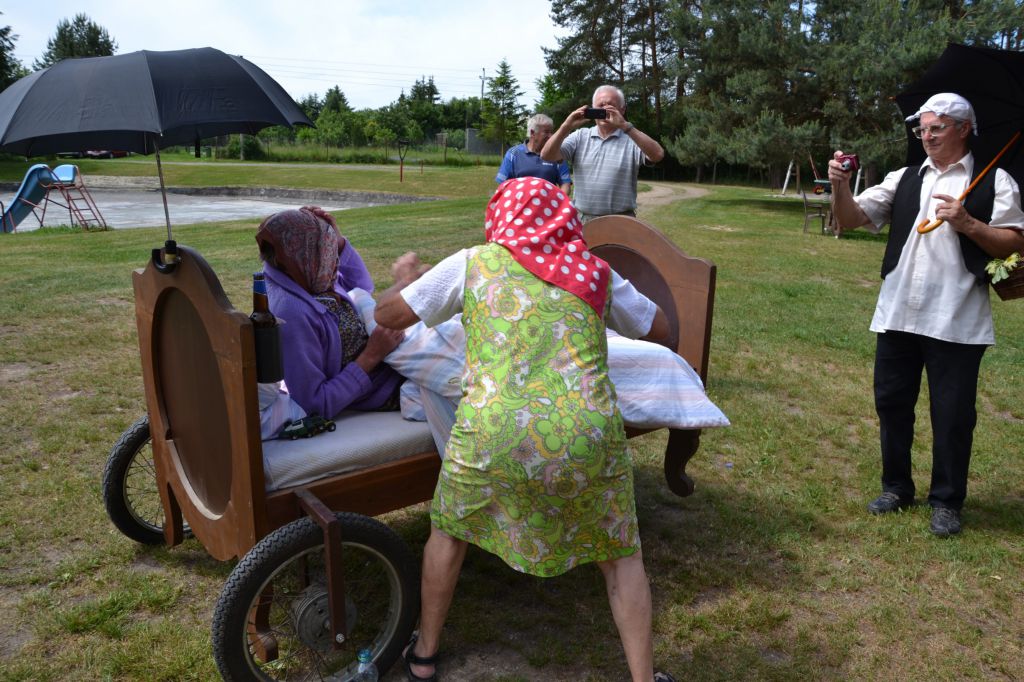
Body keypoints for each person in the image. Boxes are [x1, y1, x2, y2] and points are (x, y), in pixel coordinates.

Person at [375, 178, 676, 682]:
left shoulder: (473, 263)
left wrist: (407, 279)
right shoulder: (595, 272)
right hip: (585, 435)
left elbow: (387, 314)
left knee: (448, 534)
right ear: (565, 220)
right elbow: (660, 328)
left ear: (500, 217)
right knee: (621, 555)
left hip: (491, 434)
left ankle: (423, 657)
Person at [828, 92, 1024, 537]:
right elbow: (851, 219)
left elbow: (1014, 240)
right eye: (922, 129)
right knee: (892, 405)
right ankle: (896, 487)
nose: (927, 136)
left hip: (957, 317)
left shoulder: (994, 180)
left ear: (963, 129)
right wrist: (840, 185)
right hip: (898, 312)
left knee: (953, 416)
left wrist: (968, 223)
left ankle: (947, 501)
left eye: (937, 128)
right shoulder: (904, 178)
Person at [255, 206, 407, 418]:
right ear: (303, 255)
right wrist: (372, 355)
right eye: (327, 252)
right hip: (388, 388)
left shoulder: (304, 276)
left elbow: (361, 286)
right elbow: (313, 404)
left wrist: (339, 241)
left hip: (394, 365)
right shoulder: (291, 315)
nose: (336, 260)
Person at [541, 84, 664, 222]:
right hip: (583, 220)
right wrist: (566, 127)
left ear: (622, 109)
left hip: (621, 220)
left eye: (610, 105)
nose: (604, 110)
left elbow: (658, 155)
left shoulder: (632, 137)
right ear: (592, 109)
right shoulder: (580, 136)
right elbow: (547, 155)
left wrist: (625, 126)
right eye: (600, 106)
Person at [494, 113, 572, 194]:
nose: (551, 136)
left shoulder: (557, 154)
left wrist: (558, 200)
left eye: (551, 132)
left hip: (548, 202)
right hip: (520, 202)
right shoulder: (513, 154)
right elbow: (503, 185)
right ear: (532, 133)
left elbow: (565, 185)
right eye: (546, 132)